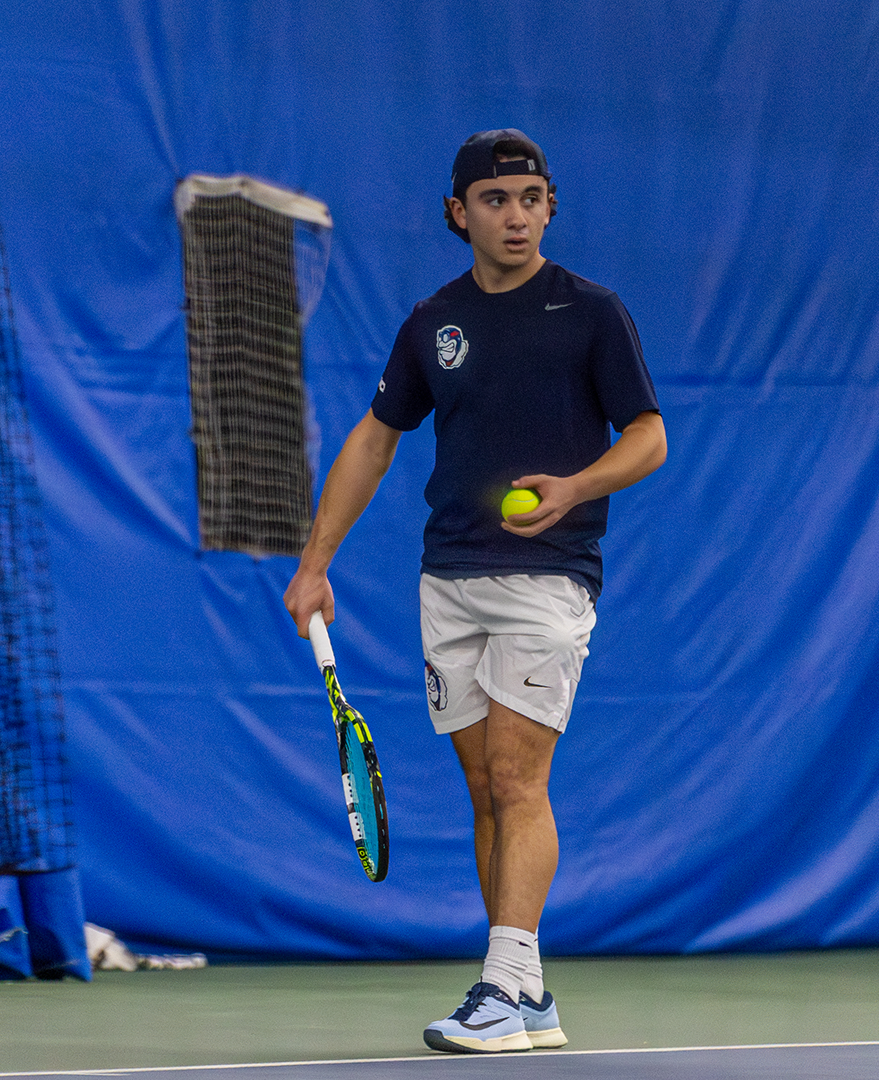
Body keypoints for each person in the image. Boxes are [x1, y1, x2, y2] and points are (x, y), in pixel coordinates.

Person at [283, 129, 666, 1054]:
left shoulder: (591, 313)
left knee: (515, 778)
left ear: (550, 207)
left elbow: (648, 435)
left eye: (533, 198)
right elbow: (376, 440)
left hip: (549, 576)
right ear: (460, 213)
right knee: (484, 797)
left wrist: (577, 486)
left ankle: (501, 987)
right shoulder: (431, 323)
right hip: (447, 580)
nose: (518, 216)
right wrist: (313, 564)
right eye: (497, 200)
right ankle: (526, 997)